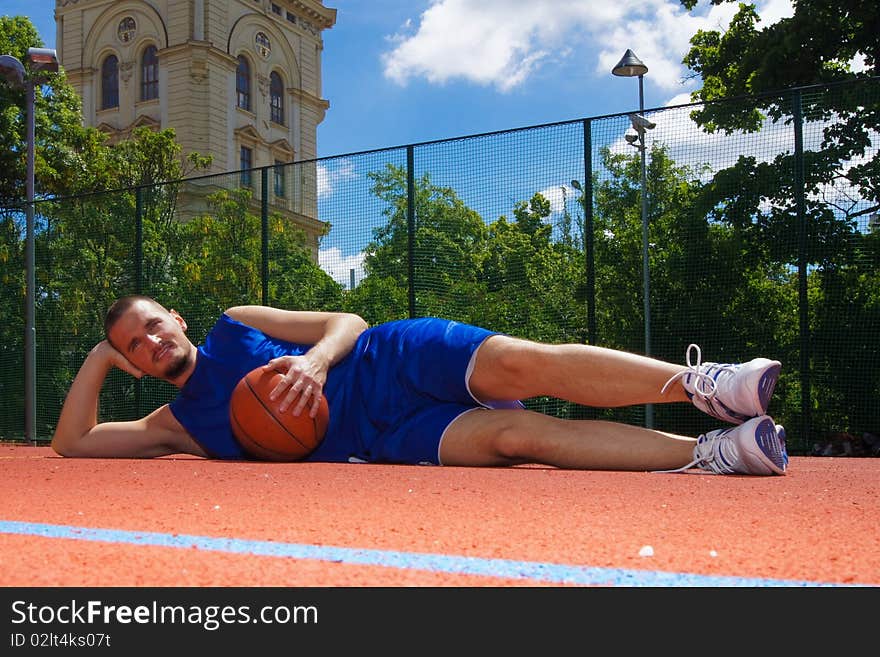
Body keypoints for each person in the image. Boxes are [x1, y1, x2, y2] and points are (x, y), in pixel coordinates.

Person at [50, 295, 789, 476]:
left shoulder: (238, 322)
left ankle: (704, 384)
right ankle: (711, 451)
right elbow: (71, 443)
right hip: (384, 437)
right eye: (131, 347)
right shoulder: (179, 424)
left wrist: (314, 362)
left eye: (151, 326)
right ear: (135, 363)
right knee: (517, 435)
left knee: (523, 362)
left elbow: (346, 317)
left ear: (175, 318)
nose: (149, 343)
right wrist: (95, 358)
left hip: (387, 358)